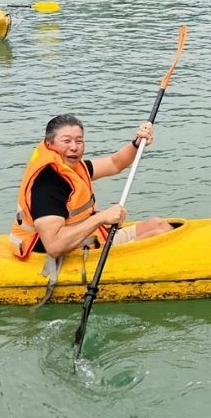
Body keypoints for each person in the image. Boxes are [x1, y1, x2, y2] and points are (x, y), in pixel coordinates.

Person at [9, 115, 174, 302]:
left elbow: (114, 163)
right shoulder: (48, 184)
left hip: (89, 241)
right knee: (156, 237)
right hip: (64, 256)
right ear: (49, 143)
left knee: (158, 224)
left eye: (79, 141)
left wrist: (137, 144)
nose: (74, 147)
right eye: (67, 141)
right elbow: (54, 246)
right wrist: (101, 218)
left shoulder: (74, 167)